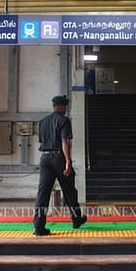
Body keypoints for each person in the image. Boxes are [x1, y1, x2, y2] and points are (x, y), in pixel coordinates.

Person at [33, 95, 87, 236]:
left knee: (42, 193)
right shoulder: (64, 120)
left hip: (44, 158)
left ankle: (38, 226)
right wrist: (68, 162)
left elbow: (42, 141)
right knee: (69, 190)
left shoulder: (43, 122)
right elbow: (65, 142)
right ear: (62, 107)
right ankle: (76, 219)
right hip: (59, 158)